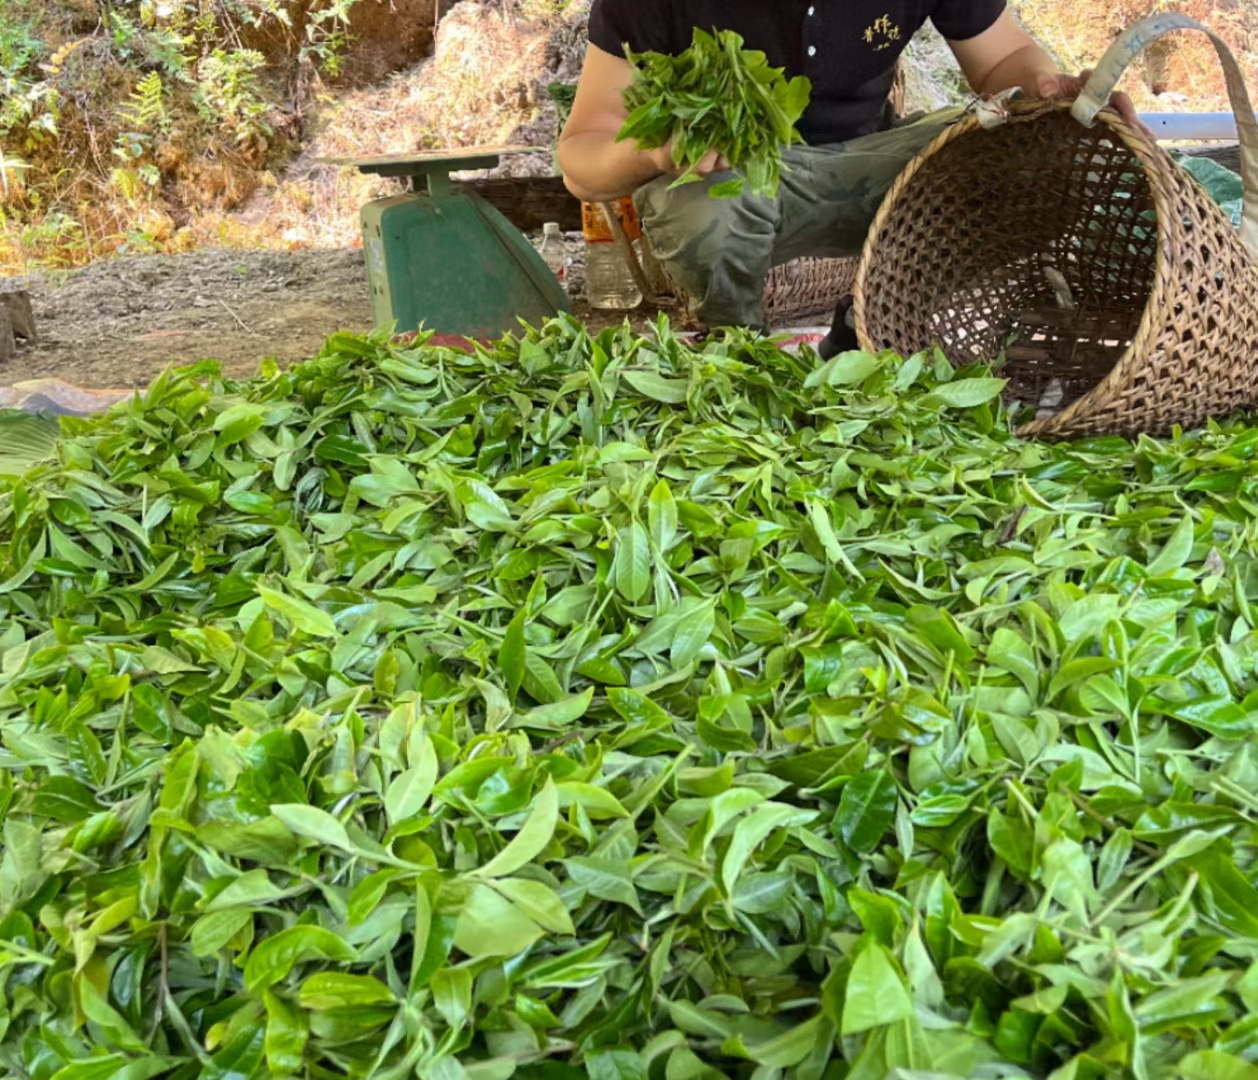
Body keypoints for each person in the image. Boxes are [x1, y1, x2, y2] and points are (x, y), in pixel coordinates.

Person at [558, 1, 1143, 357]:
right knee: (701, 212)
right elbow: (583, 155)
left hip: (876, 166)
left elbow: (1000, 60)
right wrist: (658, 150)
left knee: (1046, 151)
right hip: (740, 179)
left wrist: (1049, 88)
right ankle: (737, 358)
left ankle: (874, 323)